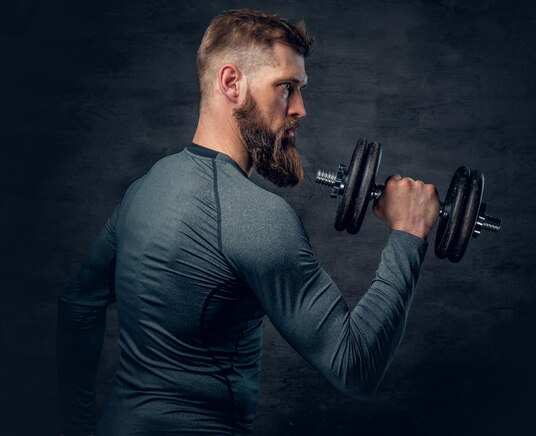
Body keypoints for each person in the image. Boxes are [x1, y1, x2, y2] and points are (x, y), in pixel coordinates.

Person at [56, 8, 440, 436]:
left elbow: (78, 306)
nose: (300, 109)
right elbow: (355, 366)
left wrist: (78, 426)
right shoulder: (256, 215)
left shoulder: (144, 188)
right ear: (231, 83)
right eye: (286, 88)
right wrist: (408, 234)